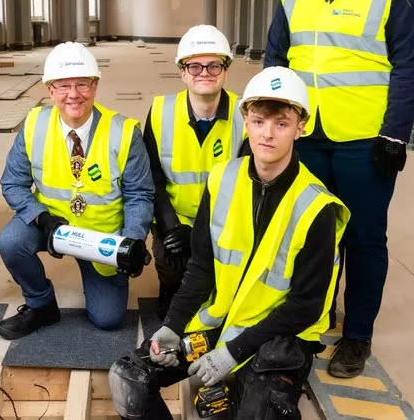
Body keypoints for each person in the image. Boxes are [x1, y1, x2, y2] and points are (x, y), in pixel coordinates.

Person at [109, 67, 350, 420]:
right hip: (221, 322)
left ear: (301, 127)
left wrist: (233, 353)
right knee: (128, 376)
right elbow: (201, 268)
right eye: (258, 121)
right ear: (245, 121)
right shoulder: (223, 179)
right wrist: (173, 326)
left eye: (281, 123)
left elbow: (306, 306)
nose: (267, 134)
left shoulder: (317, 207)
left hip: (277, 337)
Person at [264, 0, 414, 377]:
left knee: (363, 239)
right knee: (311, 236)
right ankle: (310, 323)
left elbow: (409, 63)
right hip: (306, 135)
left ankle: (356, 336)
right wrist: (275, 122)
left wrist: (395, 134)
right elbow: (276, 55)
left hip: (364, 138)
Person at [0, 42, 154, 339]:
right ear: (49, 89)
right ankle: (41, 303)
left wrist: (132, 240)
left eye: (82, 84)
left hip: (103, 236)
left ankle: (95, 271)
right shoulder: (34, 124)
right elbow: (12, 183)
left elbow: (139, 195)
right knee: (11, 241)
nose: (73, 94)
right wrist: (41, 218)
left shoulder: (123, 132)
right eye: (63, 85)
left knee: (107, 319)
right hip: (52, 225)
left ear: (95, 86)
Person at [143, 25, 245, 320]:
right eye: (195, 65)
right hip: (177, 219)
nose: (205, 72)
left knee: (222, 304)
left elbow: (246, 188)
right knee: (172, 258)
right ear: (182, 71)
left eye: (214, 65)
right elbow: (152, 178)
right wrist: (170, 226)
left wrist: (201, 235)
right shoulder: (162, 110)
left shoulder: (244, 114)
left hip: (224, 223)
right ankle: (170, 286)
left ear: (225, 69)